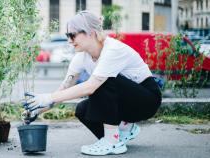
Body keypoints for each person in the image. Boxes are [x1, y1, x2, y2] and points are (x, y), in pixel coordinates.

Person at [23, 11, 162, 156]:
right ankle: (122, 130)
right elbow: (63, 90)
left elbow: (91, 86)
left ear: (91, 32)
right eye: (67, 36)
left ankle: (112, 142)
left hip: (147, 101)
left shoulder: (112, 49)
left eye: (73, 35)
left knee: (101, 82)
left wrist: (48, 97)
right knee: (83, 110)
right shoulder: (81, 57)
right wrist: (37, 109)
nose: (69, 40)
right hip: (126, 103)